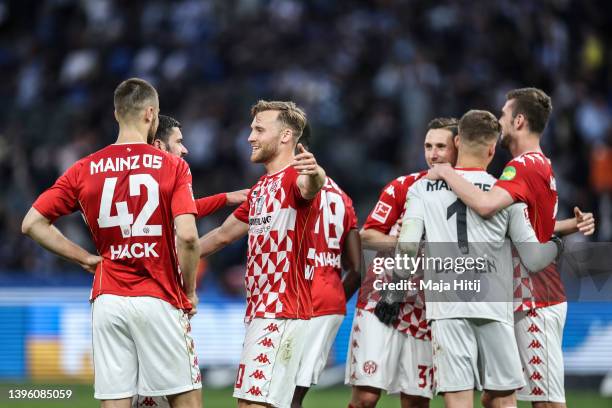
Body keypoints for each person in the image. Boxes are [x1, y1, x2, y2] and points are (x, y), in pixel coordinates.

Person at [21, 78, 202, 408]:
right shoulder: (174, 166)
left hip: (108, 298)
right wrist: (189, 290)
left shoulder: (83, 168)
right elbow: (188, 236)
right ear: (151, 114)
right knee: (186, 401)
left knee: (115, 402)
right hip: (158, 294)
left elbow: (32, 223)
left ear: (117, 114)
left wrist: (85, 259)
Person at [427, 88, 595, 407]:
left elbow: (487, 205)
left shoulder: (523, 167)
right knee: (495, 397)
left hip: (536, 299)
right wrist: (568, 226)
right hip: (521, 298)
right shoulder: (535, 164)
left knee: (545, 401)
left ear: (518, 120)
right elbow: (531, 229)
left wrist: (447, 172)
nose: (500, 119)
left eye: (504, 114)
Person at [399, 109, 561, 408]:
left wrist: (392, 294)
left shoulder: (421, 188)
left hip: (447, 307)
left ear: (457, 141)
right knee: (503, 398)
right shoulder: (506, 192)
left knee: (459, 398)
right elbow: (534, 258)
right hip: (494, 306)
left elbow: (407, 249)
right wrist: (557, 244)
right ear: (491, 149)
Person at [199, 100, 326, 408]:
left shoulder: (295, 178)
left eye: (258, 129)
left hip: (282, 311)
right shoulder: (260, 189)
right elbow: (219, 237)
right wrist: (159, 259)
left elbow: (311, 186)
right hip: (262, 311)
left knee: (253, 406)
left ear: (285, 136)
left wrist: (315, 172)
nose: (250, 137)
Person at [346, 118, 459, 408]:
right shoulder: (405, 186)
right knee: (366, 398)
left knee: (416, 402)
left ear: (458, 147)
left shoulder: (469, 193)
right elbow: (367, 235)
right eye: (428, 146)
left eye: (441, 147)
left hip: (428, 308)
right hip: (383, 298)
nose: (433, 154)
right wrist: (414, 246)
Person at [292, 128, 363, 408]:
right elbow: (356, 270)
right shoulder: (343, 198)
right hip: (328, 302)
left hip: (295, 298)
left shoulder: (291, 190)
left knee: (282, 392)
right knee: (294, 391)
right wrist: (331, 299)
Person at [153, 114, 249, 217]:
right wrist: (225, 198)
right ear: (159, 145)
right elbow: (183, 215)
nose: (185, 150)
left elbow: (181, 210)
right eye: (178, 142)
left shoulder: (137, 171)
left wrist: (225, 198)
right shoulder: (174, 172)